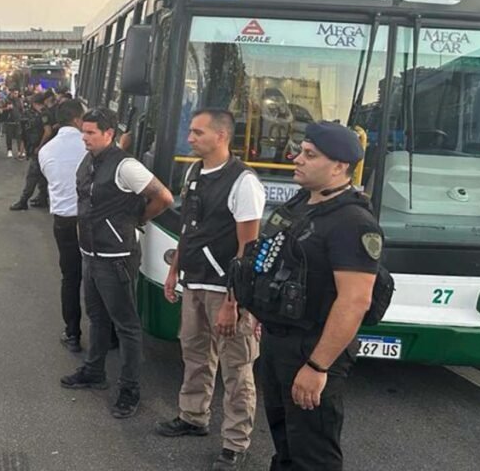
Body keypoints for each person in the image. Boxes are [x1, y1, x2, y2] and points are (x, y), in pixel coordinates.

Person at [238, 122, 380, 471]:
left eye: (309, 155)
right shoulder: (303, 203)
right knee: (285, 441)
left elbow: (355, 300)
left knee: (313, 453)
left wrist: (318, 367)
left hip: (312, 347)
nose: (296, 159)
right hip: (279, 342)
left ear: (339, 167)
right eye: (300, 151)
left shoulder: (352, 222)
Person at [158, 109, 265, 471]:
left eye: (197, 132)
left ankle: (235, 443)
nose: (190, 138)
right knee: (195, 355)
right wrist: (174, 271)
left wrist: (233, 303)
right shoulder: (194, 173)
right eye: (190, 131)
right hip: (194, 282)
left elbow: (247, 250)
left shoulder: (243, 183)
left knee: (237, 368)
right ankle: (193, 417)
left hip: (225, 290)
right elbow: (188, 230)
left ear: (221, 136)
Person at [60, 107, 173, 419]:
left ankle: (129, 388)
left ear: (108, 134)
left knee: (126, 326)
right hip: (91, 254)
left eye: (91, 133)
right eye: (83, 131)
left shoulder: (126, 167)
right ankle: (94, 371)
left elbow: (164, 197)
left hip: (116, 258)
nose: (84, 138)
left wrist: (135, 220)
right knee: (96, 317)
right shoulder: (91, 160)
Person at [38, 100, 88, 352]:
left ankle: (73, 334)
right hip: (90, 220)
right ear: (79, 120)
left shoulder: (45, 151)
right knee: (98, 278)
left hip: (64, 222)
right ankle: (108, 335)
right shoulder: (90, 145)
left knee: (70, 277)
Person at [9, 94, 50, 211]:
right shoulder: (44, 113)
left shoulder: (44, 114)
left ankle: (23, 200)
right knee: (41, 176)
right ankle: (42, 198)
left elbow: (48, 131)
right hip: (41, 148)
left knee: (32, 175)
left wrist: (40, 146)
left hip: (41, 149)